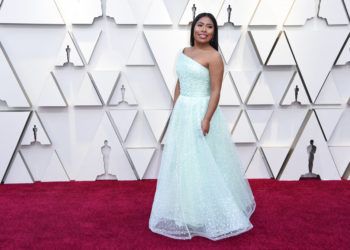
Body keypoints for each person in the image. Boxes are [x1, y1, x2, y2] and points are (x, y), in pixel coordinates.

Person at [149, 12, 256, 241]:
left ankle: (207, 210)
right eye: (200, 25)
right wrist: (176, 108)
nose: (204, 30)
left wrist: (206, 118)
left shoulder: (214, 57)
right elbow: (180, 82)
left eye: (209, 27)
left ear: (214, 32)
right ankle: (187, 210)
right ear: (193, 28)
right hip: (183, 112)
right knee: (184, 160)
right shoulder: (184, 53)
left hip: (202, 111)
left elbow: (216, 91)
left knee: (203, 160)